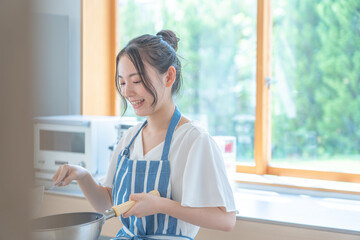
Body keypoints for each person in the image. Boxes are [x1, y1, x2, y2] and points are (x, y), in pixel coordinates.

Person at [53, 29, 236, 240]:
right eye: (122, 82)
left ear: (169, 76)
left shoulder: (194, 140)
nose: (127, 92)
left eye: (137, 81)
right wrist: (82, 175)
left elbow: (226, 220)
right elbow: (110, 205)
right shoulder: (129, 138)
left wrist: (162, 205)